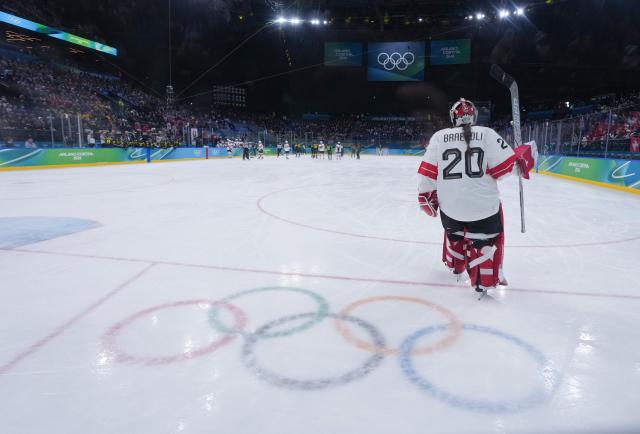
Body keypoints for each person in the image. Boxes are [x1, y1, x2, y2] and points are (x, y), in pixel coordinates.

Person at [417, 98, 535, 294]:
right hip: (484, 212)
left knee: (453, 227)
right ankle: (484, 278)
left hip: (450, 212)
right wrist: (523, 156)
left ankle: (455, 263)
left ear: (453, 117)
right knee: (488, 230)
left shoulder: (439, 137)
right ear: (474, 116)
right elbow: (509, 168)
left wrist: (426, 198)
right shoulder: (487, 134)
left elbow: (427, 175)